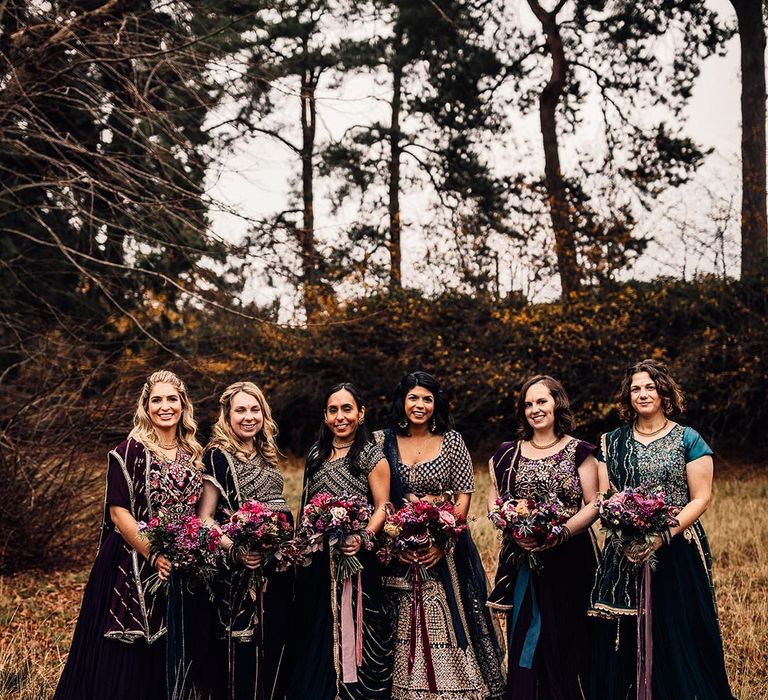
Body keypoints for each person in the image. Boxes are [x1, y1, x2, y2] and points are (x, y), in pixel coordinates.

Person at [54, 369, 211, 700]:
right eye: (157, 400)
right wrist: (153, 554)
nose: (164, 406)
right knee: (131, 660)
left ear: (183, 405)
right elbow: (118, 512)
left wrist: (192, 548)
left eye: (172, 399)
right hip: (133, 563)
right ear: (146, 406)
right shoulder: (130, 450)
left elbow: (200, 514)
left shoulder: (195, 454)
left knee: (178, 650)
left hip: (184, 564)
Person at [589, 359, 734, 700]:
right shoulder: (612, 442)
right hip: (625, 549)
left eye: (650, 387)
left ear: (664, 392)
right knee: (623, 633)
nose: (642, 394)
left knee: (676, 627)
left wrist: (661, 536)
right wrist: (625, 530)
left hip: (676, 546)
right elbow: (606, 497)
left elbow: (701, 498)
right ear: (628, 396)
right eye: (635, 388)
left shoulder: (689, 438)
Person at [378, 370, 505, 700]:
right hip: (396, 547)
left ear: (436, 404)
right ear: (401, 401)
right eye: (413, 398)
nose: (420, 405)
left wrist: (443, 539)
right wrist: (395, 541)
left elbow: (464, 494)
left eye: (427, 399)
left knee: (453, 617)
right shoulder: (382, 442)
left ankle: (455, 688)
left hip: (445, 548)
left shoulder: (452, 440)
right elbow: (375, 496)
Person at [487, 375, 599, 699]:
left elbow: (594, 504)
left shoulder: (581, 451)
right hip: (525, 558)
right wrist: (510, 527)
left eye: (541, 401)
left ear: (557, 404)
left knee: (568, 636)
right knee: (527, 638)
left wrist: (560, 533)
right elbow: (495, 501)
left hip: (571, 559)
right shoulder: (508, 453)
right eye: (528, 404)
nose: (535, 409)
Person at [285, 382, 393, 700]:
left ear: (361, 414)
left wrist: (362, 537)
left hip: (356, 561)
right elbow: (306, 504)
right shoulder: (317, 454)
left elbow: (383, 507)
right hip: (318, 563)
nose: (340, 416)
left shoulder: (372, 457)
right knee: (315, 626)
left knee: (358, 628)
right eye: (333, 410)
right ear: (325, 415)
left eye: (347, 409)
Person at [199, 381, 293, 700]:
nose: (248, 416)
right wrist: (235, 550)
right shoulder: (217, 456)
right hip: (236, 572)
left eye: (255, 409)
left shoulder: (266, 454)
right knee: (240, 647)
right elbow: (206, 518)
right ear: (227, 415)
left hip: (274, 567)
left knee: (271, 645)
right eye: (240, 410)